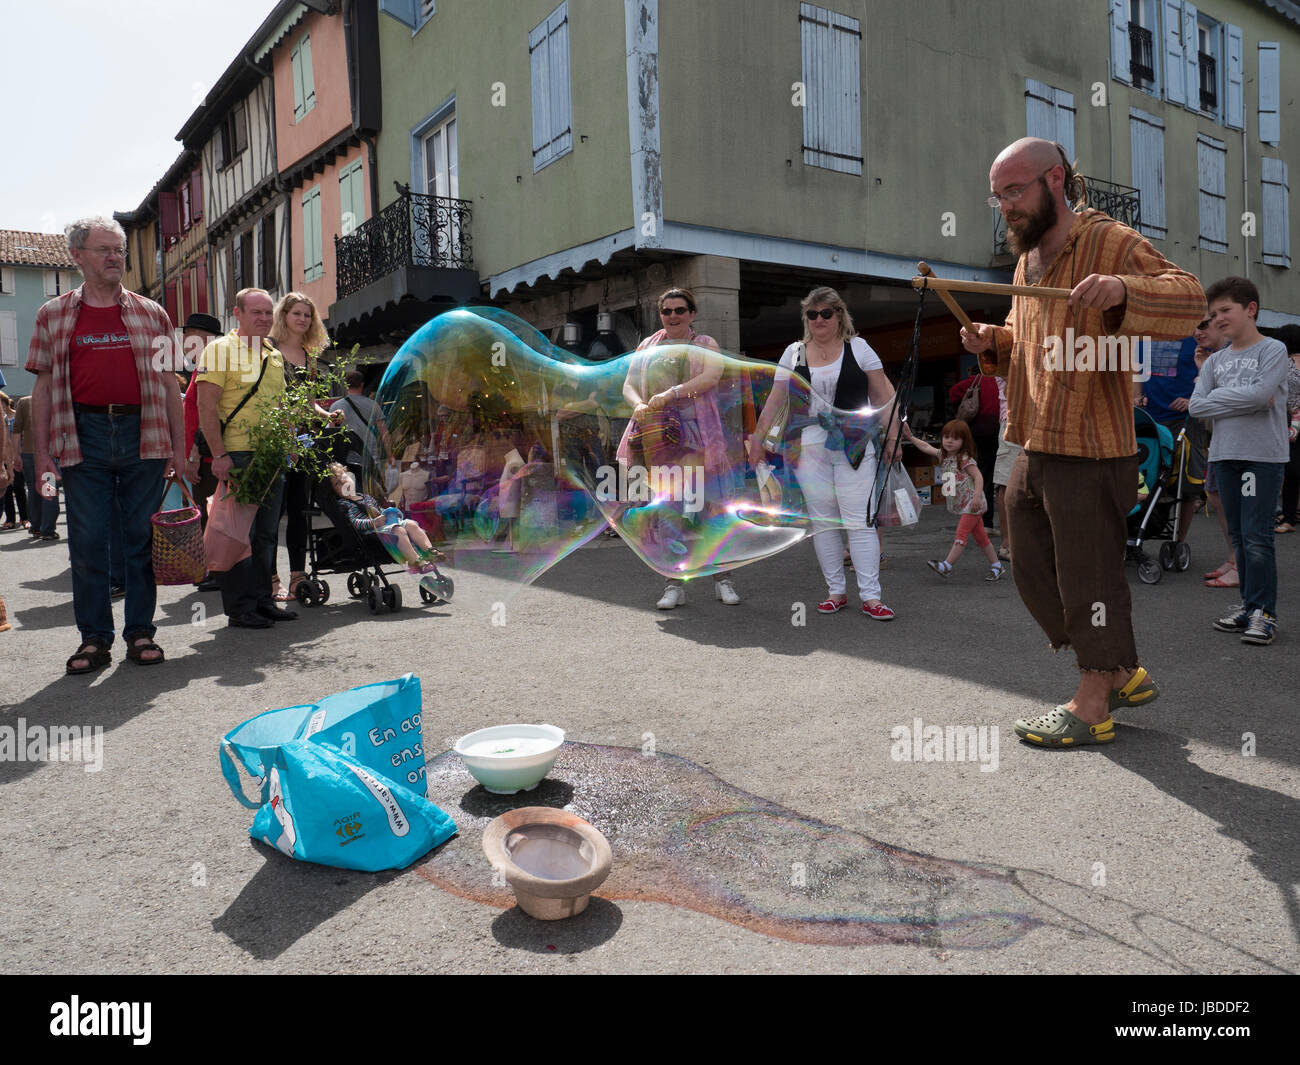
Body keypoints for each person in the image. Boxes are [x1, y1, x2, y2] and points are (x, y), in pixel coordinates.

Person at [961, 138, 1205, 746]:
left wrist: (1124, 291)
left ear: (1056, 179)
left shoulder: (1109, 239)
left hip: (1094, 445)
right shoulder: (1025, 264)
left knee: (1088, 575)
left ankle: (1093, 701)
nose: (1006, 207)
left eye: (1014, 190)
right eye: (998, 197)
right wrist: (994, 338)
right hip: (1037, 436)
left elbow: (1190, 297)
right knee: (1025, 554)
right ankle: (1121, 669)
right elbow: (1024, 339)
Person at [26, 216, 186, 672]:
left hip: (144, 433)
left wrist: (179, 448)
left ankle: (140, 633)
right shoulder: (53, 315)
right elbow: (42, 388)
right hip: (83, 435)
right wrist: (42, 457)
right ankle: (94, 639)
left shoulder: (152, 312)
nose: (116, 257)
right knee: (89, 542)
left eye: (119, 250)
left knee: (140, 540)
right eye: (105, 250)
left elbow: (170, 384)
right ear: (78, 257)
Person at [748, 286, 899, 618]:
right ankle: (835, 591)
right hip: (809, 445)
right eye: (812, 314)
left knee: (859, 521)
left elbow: (882, 394)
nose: (818, 320)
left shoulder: (858, 348)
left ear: (839, 316)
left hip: (855, 442)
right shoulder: (794, 353)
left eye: (825, 313)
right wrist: (757, 439)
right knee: (824, 522)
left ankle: (871, 596)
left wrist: (892, 438)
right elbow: (775, 400)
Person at [621, 287, 742, 608]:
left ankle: (723, 579)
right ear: (661, 315)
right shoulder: (648, 346)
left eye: (679, 310)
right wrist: (637, 404)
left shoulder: (705, 344)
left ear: (691, 314)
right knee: (667, 509)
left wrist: (672, 393)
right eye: (667, 311)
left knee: (711, 507)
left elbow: (711, 377)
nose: (673, 316)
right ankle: (674, 584)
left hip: (699, 436)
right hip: (659, 439)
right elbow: (629, 385)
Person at [1188, 277, 1291, 645]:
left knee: (1257, 536)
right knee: (1239, 536)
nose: (1217, 320)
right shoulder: (1215, 361)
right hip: (1224, 455)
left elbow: (1263, 394)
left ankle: (1265, 613)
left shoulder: (1273, 350)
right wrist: (1245, 398)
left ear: (1251, 309)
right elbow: (1197, 405)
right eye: (1213, 314)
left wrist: (1234, 398)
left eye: (1225, 311)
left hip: (1261, 456)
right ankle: (1249, 606)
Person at [195, 287, 294, 629]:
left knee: (266, 533)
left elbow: (280, 405)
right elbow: (205, 406)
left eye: (269, 313)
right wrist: (219, 454)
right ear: (237, 314)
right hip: (237, 453)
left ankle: (263, 600)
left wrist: (288, 440)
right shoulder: (219, 350)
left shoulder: (274, 353)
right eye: (257, 313)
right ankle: (240, 608)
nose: (265, 319)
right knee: (241, 535)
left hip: (270, 454)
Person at [267, 292, 343, 601]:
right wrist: (285, 433)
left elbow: (310, 402)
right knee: (273, 512)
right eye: (297, 313)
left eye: (307, 315)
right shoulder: (267, 350)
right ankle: (271, 580)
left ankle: (297, 576)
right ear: (283, 316)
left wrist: (328, 414)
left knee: (298, 510)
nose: (302, 319)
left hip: (305, 440)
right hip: (276, 439)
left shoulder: (310, 356)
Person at [905, 420, 1005, 581]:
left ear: (964, 441)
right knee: (981, 538)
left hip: (972, 504)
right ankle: (997, 565)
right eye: (946, 437)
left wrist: (977, 496)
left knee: (961, 534)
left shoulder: (964, 458)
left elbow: (978, 476)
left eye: (955, 438)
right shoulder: (943, 457)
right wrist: (910, 437)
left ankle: (947, 565)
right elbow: (925, 447)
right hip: (965, 503)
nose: (949, 441)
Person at [179, 313, 226, 591]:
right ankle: (213, 568)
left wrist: (194, 455)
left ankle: (216, 570)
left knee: (209, 514)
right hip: (202, 454)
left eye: (191, 334)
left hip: (206, 455)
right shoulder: (202, 365)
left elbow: (208, 412)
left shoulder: (210, 365)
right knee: (206, 513)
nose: (186, 340)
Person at [327, 462, 443, 573]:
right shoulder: (345, 504)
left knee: (411, 524)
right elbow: (355, 522)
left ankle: (430, 551)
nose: (343, 483)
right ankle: (416, 561)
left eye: (344, 478)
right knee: (398, 530)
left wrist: (389, 513)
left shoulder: (366, 497)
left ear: (351, 478)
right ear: (334, 491)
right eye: (338, 483)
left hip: (386, 525)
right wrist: (373, 522)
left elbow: (379, 511)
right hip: (372, 531)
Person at [947, 370, 1000, 527]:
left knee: (983, 474)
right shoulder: (1004, 380)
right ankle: (987, 521)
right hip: (1000, 431)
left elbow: (953, 393)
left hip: (979, 432)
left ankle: (984, 521)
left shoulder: (977, 380)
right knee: (997, 477)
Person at [12, 394, 59, 540]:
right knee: (49, 490)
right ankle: (48, 529)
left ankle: (36, 526)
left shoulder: (24, 402)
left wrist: (16, 455)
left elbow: (17, 431)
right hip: (49, 453)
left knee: (33, 489)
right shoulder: (55, 400)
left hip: (29, 453)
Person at [1269, 324, 1300, 535]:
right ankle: (1289, 515)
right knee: (1292, 469)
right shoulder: (1285, 362)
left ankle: (1289, 517)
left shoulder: (1283, 362)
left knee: (1290, 469)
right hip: (1292, 417)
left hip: (1288, 417)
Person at [330, 369, 388, 481]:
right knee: (371, 489)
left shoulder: (335, 407)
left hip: (346, 457)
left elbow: (332, 434)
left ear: (346, 385)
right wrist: (391, 456)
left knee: (351, 489)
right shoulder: (373, 405)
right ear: (362, 385)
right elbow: (384, 433)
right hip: (370, 456)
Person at [990, 376, 1019, 561]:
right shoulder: (1006, 348)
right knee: (1006, 482)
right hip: (1013, 418)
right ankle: (1007, 544)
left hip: (1041, 419)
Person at [0, 393, 28, 531]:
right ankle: (10, 519)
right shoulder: (3, 419)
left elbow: (12, 441)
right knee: (7, 490)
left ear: (4, 403)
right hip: (5, 457)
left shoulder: (17, 416)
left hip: (17, 456)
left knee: (19, 488)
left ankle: (26, 518)